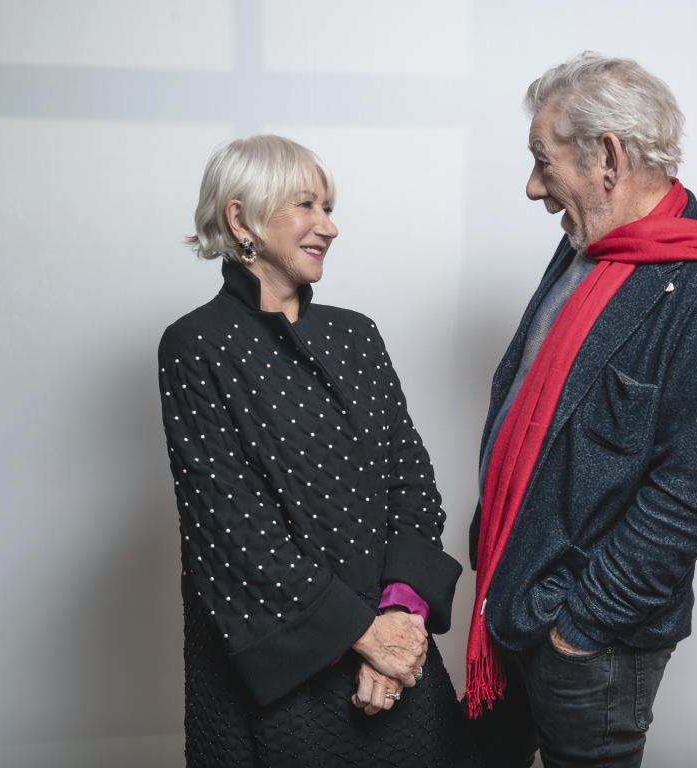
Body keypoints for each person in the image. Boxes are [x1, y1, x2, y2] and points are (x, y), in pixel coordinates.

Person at [466, 53, 697, 767]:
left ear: (607, 158)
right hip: (507, 598)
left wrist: (577, 627)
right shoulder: (583, 249)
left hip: (588, 646)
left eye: (542, 161)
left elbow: (691, 496)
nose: (531, 188)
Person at [159, 135, 480, 767]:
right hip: (279, 664)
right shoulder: (196, 345)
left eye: (329, 207)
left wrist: (403, 620)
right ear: (240, 217)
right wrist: (365, 636)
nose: (329, 227)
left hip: (394, 653)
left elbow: (412, 484)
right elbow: (231, 527)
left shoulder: (356, 334)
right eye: (307, 205)